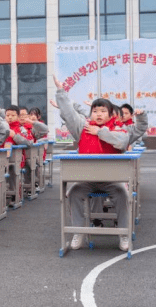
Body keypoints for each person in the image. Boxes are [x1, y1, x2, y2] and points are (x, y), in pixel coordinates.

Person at [54, 77, 148, 251]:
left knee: (121, 194)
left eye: (103, 111)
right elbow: (68, 114)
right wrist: (61, 92)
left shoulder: (118, 129)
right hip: (87, 178)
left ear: (111, 114)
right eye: (95, 111)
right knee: (74, 192)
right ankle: (78, 231)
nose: (98, 114)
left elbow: (121, 142)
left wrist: (100, 132)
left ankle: (123, 234)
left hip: (112, 179)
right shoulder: (82, 127)